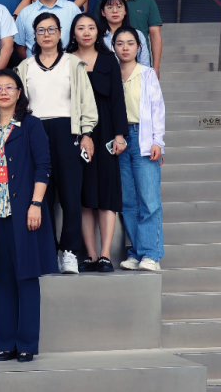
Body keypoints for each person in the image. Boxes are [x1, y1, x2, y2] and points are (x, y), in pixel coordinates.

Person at [0, 69, 57, 363]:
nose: (3, 92)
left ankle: (26, 344)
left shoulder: (30, 125)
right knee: (1, 280)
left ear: (18, 93)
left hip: (24, 214)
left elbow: (43, 166)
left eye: (9, 87)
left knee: (26, 277)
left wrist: (36, 203)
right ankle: (5, 343)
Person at [16, 12, 97, 275]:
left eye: (51, 29)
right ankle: (48, 251)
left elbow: (86, 101)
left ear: (60, 33)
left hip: (68, 131)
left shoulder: (73, 63)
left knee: (71, 195)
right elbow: (20, 106)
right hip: (35, 131)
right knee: (43, 194)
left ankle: (69, 252)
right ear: (34, 35)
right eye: (41, 30)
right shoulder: (25, 67)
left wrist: (87, 133)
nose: (46, 34)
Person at [71, 14, 129, 274]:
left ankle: (105, 255)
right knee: (84, 195)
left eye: (91, 28)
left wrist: (119, 135)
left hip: (105, 129)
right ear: (73, 33)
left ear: (98, 32)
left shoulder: (108, 60)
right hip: (76, 130)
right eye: (81, 28)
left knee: (106, 192)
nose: (86, 32)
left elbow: (117, 99)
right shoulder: (67, 60)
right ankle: (91, 255)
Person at [113, 28, 166, 273]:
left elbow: (157, 108)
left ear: (138, 47)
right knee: (127, 201)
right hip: (118, 140)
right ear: (113, 47)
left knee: (149, 199)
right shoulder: (111, 74)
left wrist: (158, 141)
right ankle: (136, 252)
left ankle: (151, 254)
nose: (125, 48)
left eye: (130, 43)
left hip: (142, 136)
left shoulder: (147, 73)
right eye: (120, 43)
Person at [15, 0, 81, 60]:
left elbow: (80, 41)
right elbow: (20, 47)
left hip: (67, 65)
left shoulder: (72, 9)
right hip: (33, 67)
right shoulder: (25, 13)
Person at [113, 0, 163, 77]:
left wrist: (155, 67)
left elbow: (155, 35)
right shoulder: (103, 3)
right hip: (112, 63)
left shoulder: (148, 3)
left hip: (141, 63)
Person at [98, 0, 152, 66]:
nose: (115, 11)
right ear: (103, 12)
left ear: (125, 11)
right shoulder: (97, 36)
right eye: (110, 7)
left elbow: (144, 64)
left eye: (119, 7)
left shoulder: (137, 34)